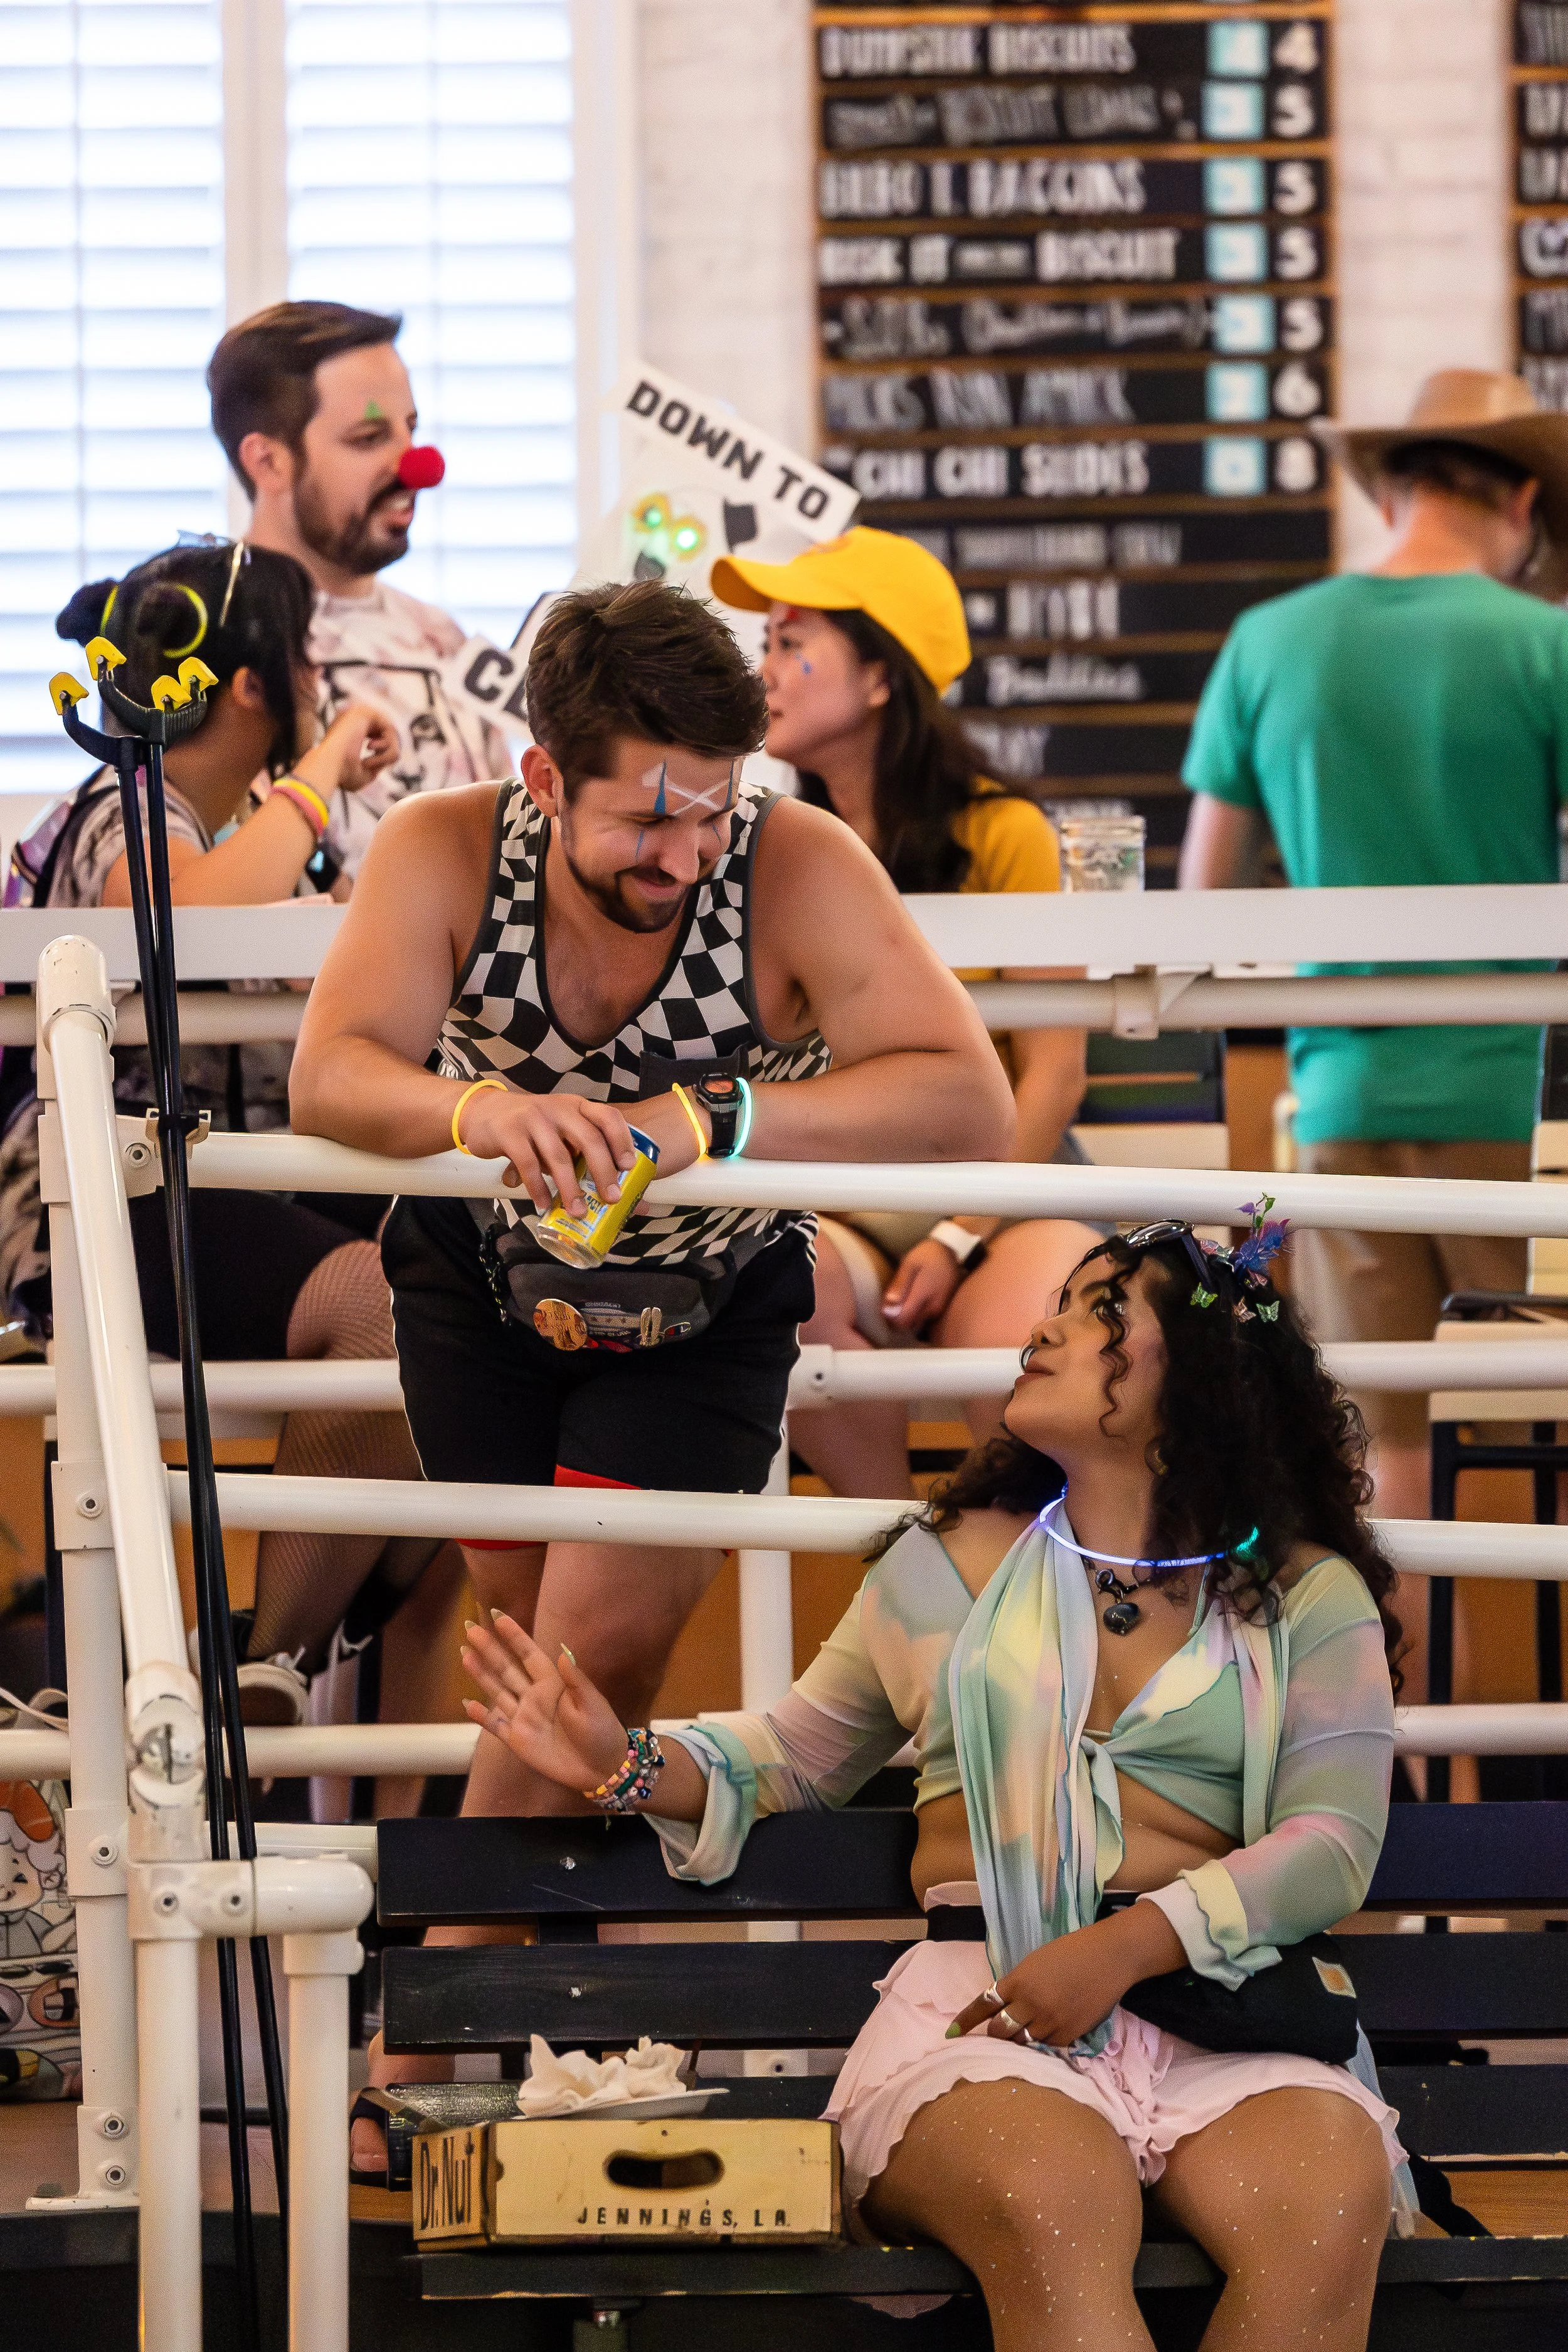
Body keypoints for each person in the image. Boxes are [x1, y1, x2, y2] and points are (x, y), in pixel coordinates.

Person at [287, 578, 1014, 2171]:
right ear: (544, 779)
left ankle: (415, 2027)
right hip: (479, 1290)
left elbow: (968, 1100)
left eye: (714, 810)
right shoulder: (443, 849)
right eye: (648, 815)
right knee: (531, 1666)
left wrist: (717, 1123)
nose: (684, 852)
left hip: (703, 1303)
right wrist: (477, 1117)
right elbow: (329, 1068)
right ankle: (506, 2030)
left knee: (592, 1651)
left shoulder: (797, 858)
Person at [467, 1214, 1411, 2351]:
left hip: (1232, 2012)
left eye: (1101, 1311)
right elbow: (794, 1755)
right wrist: (618, 1756)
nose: (1047, 1327)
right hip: (988, 2013)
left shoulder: (1307, 1593)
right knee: (1054, 2204)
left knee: (1326, 2205)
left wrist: (1121, 1947)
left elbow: (1333, 1844)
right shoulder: (947, 1563)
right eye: (1059, 1302)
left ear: (1205, 1381)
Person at [4, 542, 464, 1775]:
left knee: (466, 1263)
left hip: (211, 1185)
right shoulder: (121, 805)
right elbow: (188, 913)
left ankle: (295, 1660)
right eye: (308, 660)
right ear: (257, 685)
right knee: (384, 1309)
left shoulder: (245, 840)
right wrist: (318, 777)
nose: (326, 682)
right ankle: (260, 1656)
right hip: (90, 1200)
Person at [1180, 370, 1568, 1528]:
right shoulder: (1545, 644)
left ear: (1391, 490)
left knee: (1382, 1446)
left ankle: (1394, 1704)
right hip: (1511, 1101)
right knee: (1526, 1430)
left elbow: (1206, 892)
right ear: (1526, 501)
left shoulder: (1268, 642)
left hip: (1339, 1088)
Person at [712, 526, 1099, 1497]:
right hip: (838, 1205)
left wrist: (958, 1232)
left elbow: (1055, 1074)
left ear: (882, 677)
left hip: (1007, 1193)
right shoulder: (767, 845)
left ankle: (1014, 1616)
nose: (768, 673)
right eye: (765, 647)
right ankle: (903, 1565)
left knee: (1039, 1345)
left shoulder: (1005, 833)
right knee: (774, 1293)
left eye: (794, 646)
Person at [208, 300, 511, 886]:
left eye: (412, 429)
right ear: (268, 462)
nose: (419, 466)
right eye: (370, 437)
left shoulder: (445, 644)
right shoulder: (199, 639)